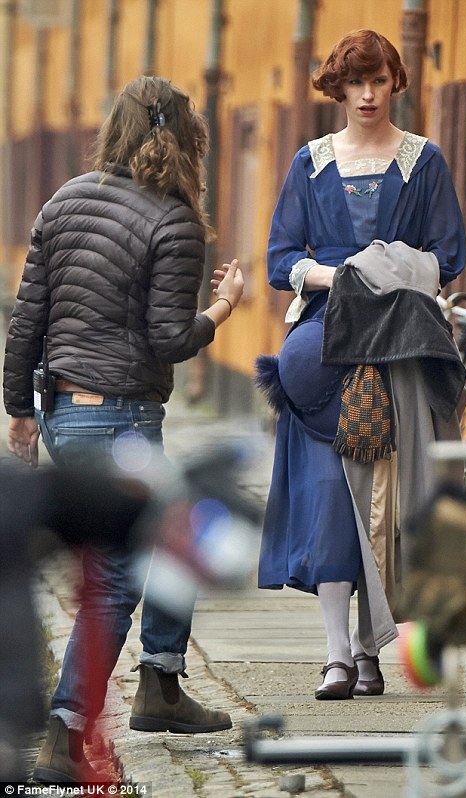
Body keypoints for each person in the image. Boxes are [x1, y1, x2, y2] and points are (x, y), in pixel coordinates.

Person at [2, 75, 245, 784]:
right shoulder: (173, 221)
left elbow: (28, 319)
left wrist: (20, 409)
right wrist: (226, 305)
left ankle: (162, 684)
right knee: (113, 580)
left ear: (114, 129)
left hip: (64, 409)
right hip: (124, 415)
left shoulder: (63, 200)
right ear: (187, 139)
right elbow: (170, 338)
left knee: (180, 532)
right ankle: (66, 728)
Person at [257, 29, 466, 701]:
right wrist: (333, 273)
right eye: (356, 83)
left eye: (378, 81)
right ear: (338, 89)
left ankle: (378, 650)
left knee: (392, 500)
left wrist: (391, 269)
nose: (368, 94)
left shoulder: (422, 161)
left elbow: (449, 254)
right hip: (325, 348)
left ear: (394, 84)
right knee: (328, 500)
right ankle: (337, 654)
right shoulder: (311, 163)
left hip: (401, 343)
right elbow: (280, 259)